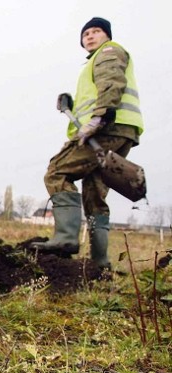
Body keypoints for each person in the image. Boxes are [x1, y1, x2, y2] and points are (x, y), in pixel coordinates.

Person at [32, 17, 144, 269]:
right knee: (95, 192)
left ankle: (65, 238)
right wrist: (77, 110)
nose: (90, 36)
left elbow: (111, 81)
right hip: (122, 132)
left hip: (104, 130)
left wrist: (99, 117)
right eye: (86, 34)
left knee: (57, 172)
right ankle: (99, 262)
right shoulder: (96, 60)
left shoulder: (108, 51)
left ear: (107, 36)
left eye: (97, 31)